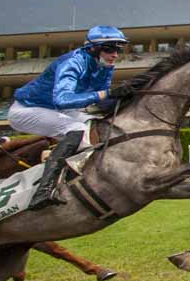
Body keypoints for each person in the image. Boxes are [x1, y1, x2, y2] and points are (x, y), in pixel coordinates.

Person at [8, 25, 134, 210]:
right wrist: (107, 93)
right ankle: (42, 191)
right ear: (93, 48)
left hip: (57, 109)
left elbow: (102, 103)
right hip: (28, 110)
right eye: (109, 49)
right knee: (76, 129)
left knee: (96, 127)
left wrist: (128, 97)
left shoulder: (104, 67)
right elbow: (63, 99)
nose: (115, 54)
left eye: (118, 49)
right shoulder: (73, 62)